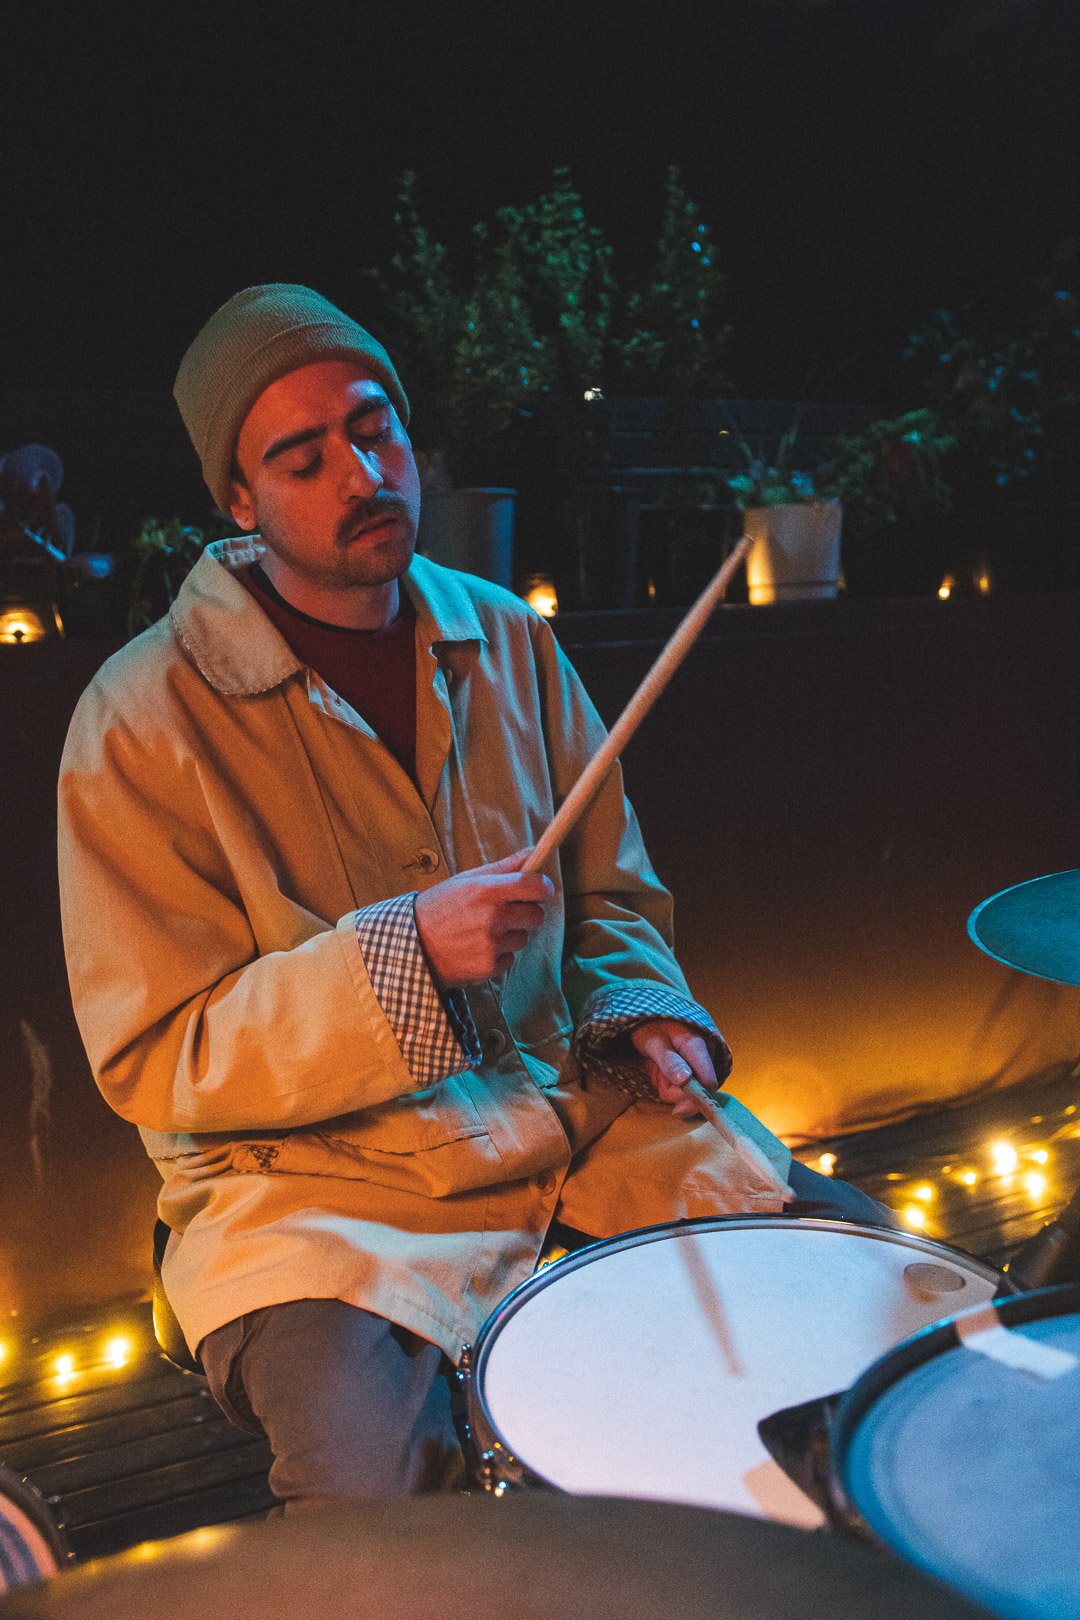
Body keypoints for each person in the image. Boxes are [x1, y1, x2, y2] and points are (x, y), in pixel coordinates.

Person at [57, 284, 891, 1509]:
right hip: (322, 1196)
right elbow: (155, 1051)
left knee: (874, 1315)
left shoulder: (509, 641)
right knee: (381, 1508)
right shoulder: (139, 721)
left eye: (374, 428)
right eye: (303, 458)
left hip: (581, 1124)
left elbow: (613, 901)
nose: (361, 474)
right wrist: (399, 958)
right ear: (239, 502)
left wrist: (643, 1016)